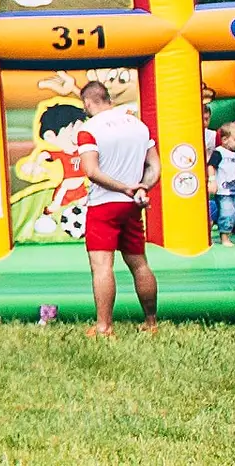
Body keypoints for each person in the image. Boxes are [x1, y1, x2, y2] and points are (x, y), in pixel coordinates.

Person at [76, 81, 160, 338]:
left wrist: (123, 188)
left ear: (88, 103)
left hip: (105, 204)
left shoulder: (89, 129)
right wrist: (142, 188)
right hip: (132, 205)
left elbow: (92, 171)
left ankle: (104, 326)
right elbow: (155, 166)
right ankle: (151, 322)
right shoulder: (138, 125)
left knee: (102, 266)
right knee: (139, 263)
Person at [206, 123, 235, 247]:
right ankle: (224, 237)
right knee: (227, 213)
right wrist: (212, 180)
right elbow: (211, 166)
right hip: (225, 192)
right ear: (224, 140)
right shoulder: (219, 152)